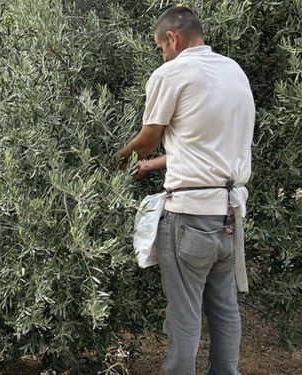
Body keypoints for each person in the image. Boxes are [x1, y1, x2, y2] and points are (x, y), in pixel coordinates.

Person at [117, 6, 254, 375]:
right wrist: (157, 164)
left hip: (190, 216)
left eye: (161, 47)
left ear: (173, 39)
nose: (161, 54)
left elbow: (147, 141)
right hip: (230, 213)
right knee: (225, 309)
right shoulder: (234, 72)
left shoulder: (172, 73)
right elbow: (207, 149)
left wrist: (120, 158)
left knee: (184, 313)